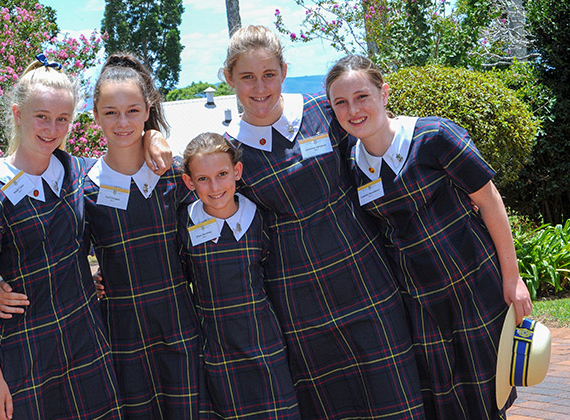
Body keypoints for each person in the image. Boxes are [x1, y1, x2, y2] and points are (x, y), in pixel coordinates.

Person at [220, 25, 425, 419]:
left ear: (283, 70)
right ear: (229, 78)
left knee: (395, 400)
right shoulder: (228, 149)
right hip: (299, 304)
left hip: (367, 282)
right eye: (247, 76)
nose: (259, 87)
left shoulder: (322, 111)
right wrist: (150, 138)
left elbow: (378, 149)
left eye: (269, 74)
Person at [324, 54, 533, 420]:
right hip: (417, 304)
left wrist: (512, 279)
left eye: (362, 97)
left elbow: (490, 202)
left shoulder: (434, 137)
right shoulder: (349, 164)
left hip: (474, 287)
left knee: (490, 397)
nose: (352, 110)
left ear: (384, 94)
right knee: (445, 403)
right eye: (340, 102)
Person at [0, 55, 122, 420]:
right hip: (28, 352)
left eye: (63, 119)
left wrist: (154, 139)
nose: (52, 128)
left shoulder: (77, 172)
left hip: (86, 341)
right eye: (42, 117)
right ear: (19, 114)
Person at [83, 52, 201, 419]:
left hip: (183, 326)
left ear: (148, 110)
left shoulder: (176, 175)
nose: (122, 122)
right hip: (123, 337)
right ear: (94, 115)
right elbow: (53, 249)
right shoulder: (85, 189)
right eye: (111, 112)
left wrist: (156, 138)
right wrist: (2, 283)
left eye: (133, 111)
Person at [178, 132, 300, 419]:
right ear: (189, 182)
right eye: (203, 179)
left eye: (222, 174)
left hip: (264, 340)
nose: (215, 186)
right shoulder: (183, 224)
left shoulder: (259, 218)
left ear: (237, 172)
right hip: (216, 345)